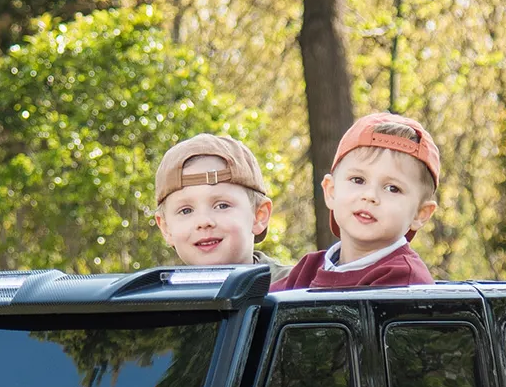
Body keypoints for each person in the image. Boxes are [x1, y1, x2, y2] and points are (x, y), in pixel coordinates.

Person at [270, 113, 439, 290]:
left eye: (392, 188)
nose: (370, 195)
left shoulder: (404, 282)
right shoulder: (308, 269)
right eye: (358, 180)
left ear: (420, 214)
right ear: (331, 191)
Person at [154, 134, 290, 282]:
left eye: (222, 206)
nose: (204, 221)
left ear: (259, 216)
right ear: (166, 228)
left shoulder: (297, 286)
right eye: (186, 210)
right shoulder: (150, 299)